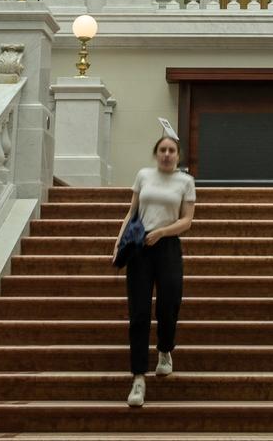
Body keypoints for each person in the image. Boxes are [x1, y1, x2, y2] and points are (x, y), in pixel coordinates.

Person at [113, 134, 195, 407]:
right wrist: (118, 240)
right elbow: (132, 211)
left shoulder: (186, 182)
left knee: (169, 304)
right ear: (156, 153)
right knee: (138, 313)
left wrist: (161, 232)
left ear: (178, 155)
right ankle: (138, 377)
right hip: (140, 247)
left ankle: (164, 350)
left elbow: (187, 221)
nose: (167, 154)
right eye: (163, 150)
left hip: (168, 245)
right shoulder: (143, 176)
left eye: (172, 150)